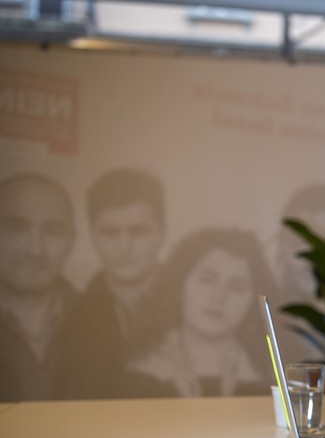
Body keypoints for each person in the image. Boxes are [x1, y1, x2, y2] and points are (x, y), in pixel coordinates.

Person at [54, 169, 167, 399]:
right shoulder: (67, 318)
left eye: (138, 231)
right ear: (93, 236)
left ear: (162, 232)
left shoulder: (201, 307)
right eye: (110, 233)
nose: (124, 246)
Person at [128, 227, 277, 397]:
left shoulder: (266, 380)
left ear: (252, 302)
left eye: (237, 287)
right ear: (179, 285)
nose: (219, 297)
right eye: (206, 280)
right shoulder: (139, 373)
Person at [0, 174, 78, 401]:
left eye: (52, 231)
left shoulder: (106, 326)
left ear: (71, 240)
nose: (35, 249)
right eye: (17, 229)